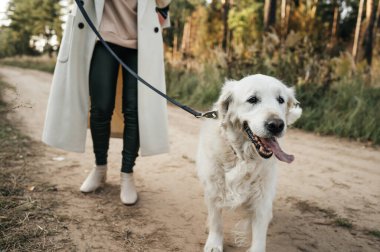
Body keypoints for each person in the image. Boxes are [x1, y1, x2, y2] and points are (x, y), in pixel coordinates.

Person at [42, 0, 171, 205]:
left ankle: (127, 174)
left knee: (134, 110)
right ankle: (100, 168)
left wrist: (162, 12)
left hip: (140, 40)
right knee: (101, 108)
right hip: (102, 37)